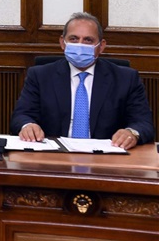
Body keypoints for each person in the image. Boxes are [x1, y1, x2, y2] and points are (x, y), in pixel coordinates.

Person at [10, 12, 154, 150]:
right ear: (62, 43)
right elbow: (21, 116)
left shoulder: (126, 79)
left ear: (101, 46)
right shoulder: (40, 76)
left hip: (106, 157)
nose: (80, 45)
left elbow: (143, 123)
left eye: (88, 40)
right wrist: (27, 126)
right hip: (54, 155)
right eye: (73, 39)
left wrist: (131, 133)